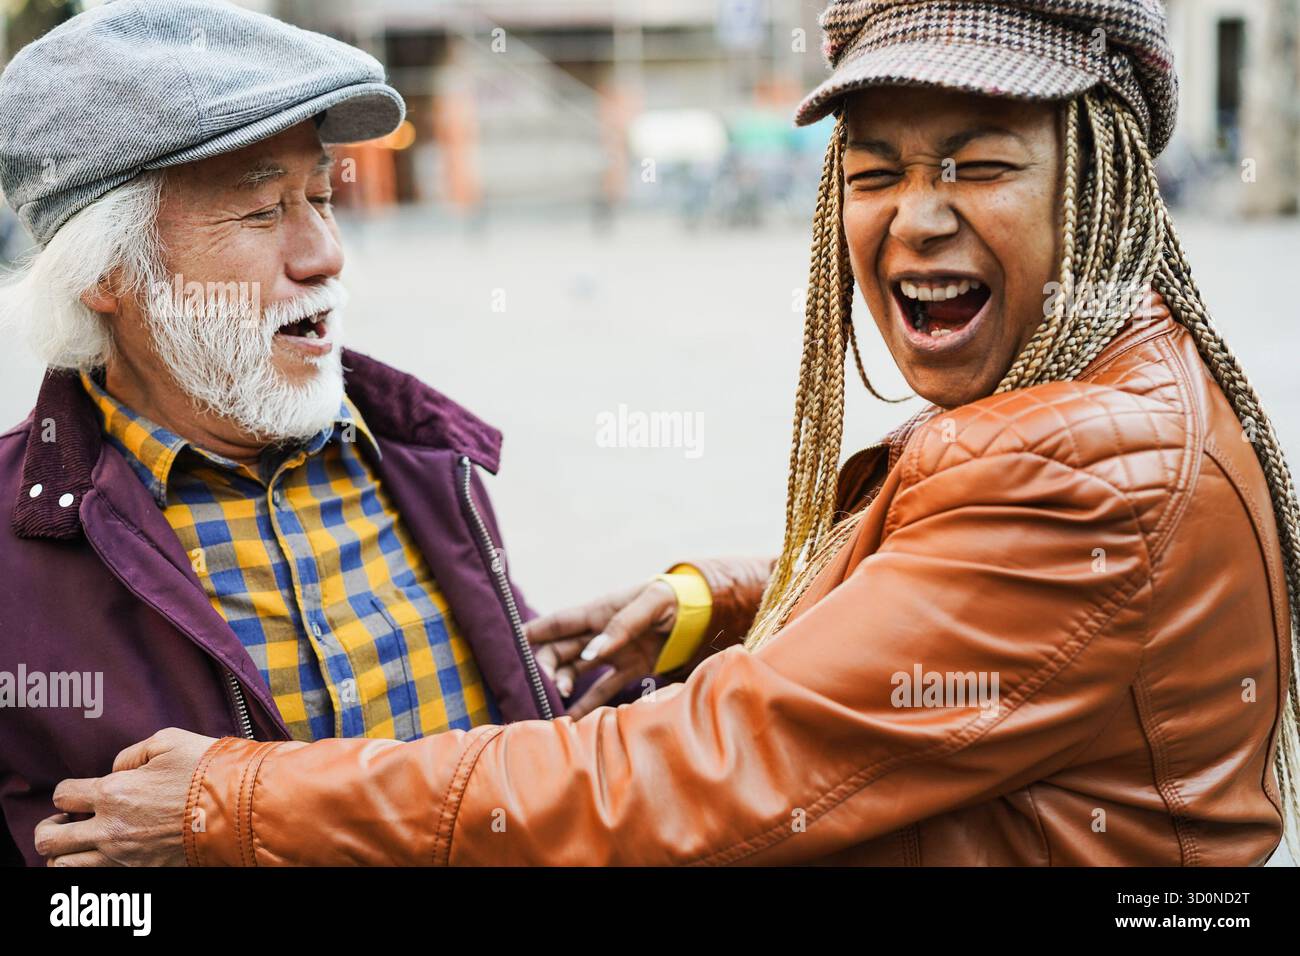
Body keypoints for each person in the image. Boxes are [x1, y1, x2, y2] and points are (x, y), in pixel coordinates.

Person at [38, 0, 1300, 867]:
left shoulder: (1093, 464)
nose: (916, 218)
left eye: (979, 165)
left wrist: (231, 803)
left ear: (1104, 179)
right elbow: (955, 605)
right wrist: (735, 598)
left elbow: (688, 769)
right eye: (875, 171)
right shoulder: (1100, 389)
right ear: (107, 275)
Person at [0, 0, 710, 867]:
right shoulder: (18, 554)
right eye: (262, 213)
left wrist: (711, 630)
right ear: (108, 272)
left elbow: (532, 747)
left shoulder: (417, 456)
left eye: (323, 197)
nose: (324, 254)